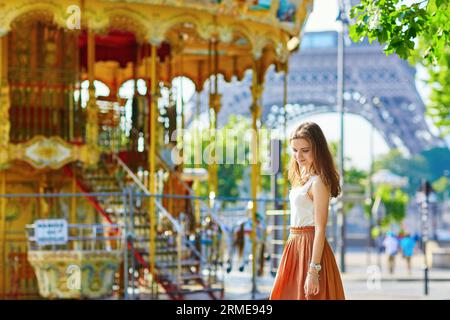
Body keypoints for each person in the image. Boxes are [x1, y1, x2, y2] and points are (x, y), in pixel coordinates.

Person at [269, 122, 345, 300]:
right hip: (294, 245)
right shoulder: (300, 176)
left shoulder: (318, 182)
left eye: (305, 150)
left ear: (317, 149)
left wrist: (313, 270)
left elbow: (320, 228)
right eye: (295, 150)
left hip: (310, 248)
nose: (298, 156)